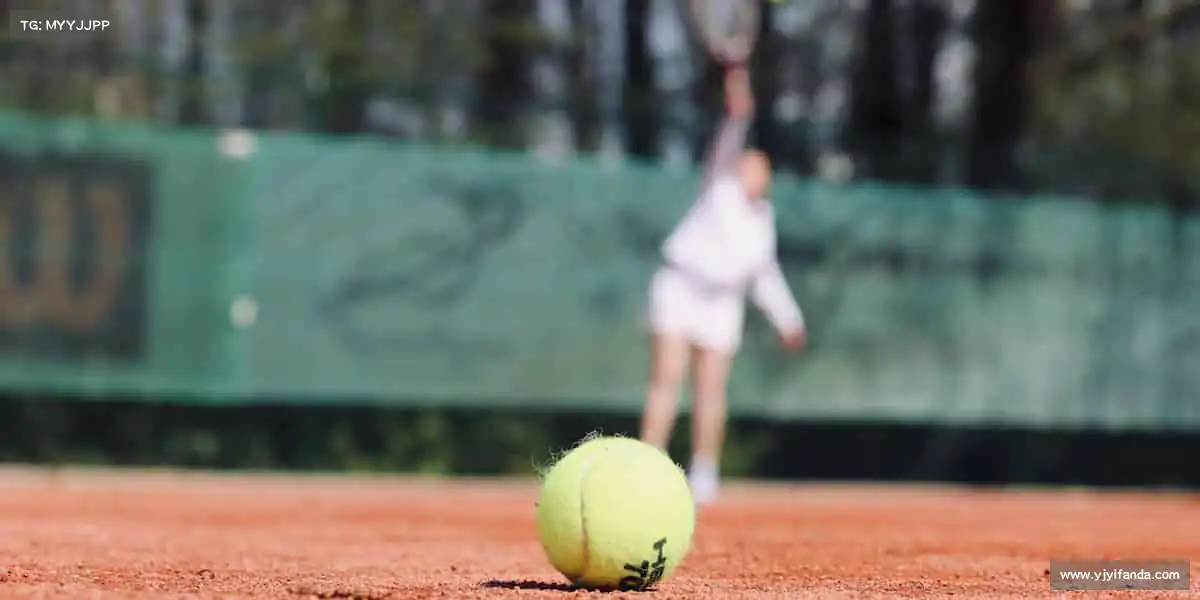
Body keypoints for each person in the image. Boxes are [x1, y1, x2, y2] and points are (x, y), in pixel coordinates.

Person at [639, 65, 807, 505]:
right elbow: (733, 124)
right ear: (737, 169)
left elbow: (764, 274)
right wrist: (737, 100)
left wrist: (788, 320)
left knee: (711, 388)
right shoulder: (718, 186)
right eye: (749, 166)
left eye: (762, 171)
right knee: (666, 379)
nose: (755, 174)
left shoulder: (762, 220)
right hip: (679, 287)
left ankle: (705, 472)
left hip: (722, 304)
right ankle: (647, 466)